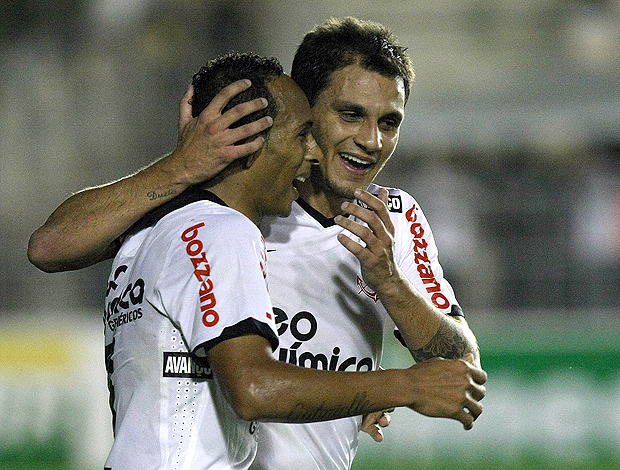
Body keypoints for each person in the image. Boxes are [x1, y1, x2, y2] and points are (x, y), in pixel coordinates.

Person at [29, 18, 486, 470]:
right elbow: (50, 246)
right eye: (350, 115)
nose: (371, 141)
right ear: (305, 109)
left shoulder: (393, 219)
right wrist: (181, 168)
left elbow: (456, 370)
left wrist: (391, 285)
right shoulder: (231, 202)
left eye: (389, 122)